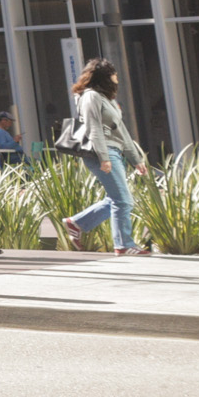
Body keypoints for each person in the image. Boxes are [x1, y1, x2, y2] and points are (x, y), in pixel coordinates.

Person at [60, 57, 150, 256]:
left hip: (114, 151)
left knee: (118, 198)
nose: (116, 76)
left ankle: (77, 223)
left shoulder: (107, 99)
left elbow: (122, 131)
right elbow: (94, 128)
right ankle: (124, 244)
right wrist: (103, 157)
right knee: (123, 200)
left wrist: (136, 159)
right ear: (105, 76)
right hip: (102, 151)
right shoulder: (90, 96)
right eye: (113, 73)